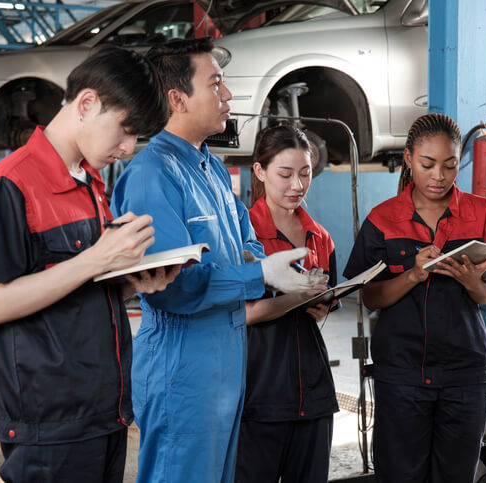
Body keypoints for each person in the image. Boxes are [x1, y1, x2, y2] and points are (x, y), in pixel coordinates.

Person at [110, 38, 326, 483]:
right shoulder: (153, 175)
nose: (228, 95)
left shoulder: (209, 169)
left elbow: (247, 243)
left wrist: (273, 269)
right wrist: (259, 273)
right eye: (216, 84)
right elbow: (171, 285)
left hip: (226, 371)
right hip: (182, 373)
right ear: (177, 99)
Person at [0, 47, 179, 482]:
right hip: (50, 425)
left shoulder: (90, 183)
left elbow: (79, 290)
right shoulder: (10, 185)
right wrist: (96, 258)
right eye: (125, 130)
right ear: (87, 104)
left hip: (105, 413)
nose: (128, 147)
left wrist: (134, 283)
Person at [343, 113, 486, 482]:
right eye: (427, 164)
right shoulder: (382, 220)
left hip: (465, 373)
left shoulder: (483, 214)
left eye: (450, 165)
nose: (438, 175)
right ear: (408, 159)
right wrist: (413, 274)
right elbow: (371, 298)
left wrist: (472, 282)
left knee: (455, 475)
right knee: (400, 475)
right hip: (401, 374)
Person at [235, 125, 339, 483]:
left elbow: (327, 305)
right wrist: (293, 298)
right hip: (258, 395)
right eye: (285, 174)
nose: (297, 185)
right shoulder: (241, 233)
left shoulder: (320, 237)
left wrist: (321, 305)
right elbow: (238, 314)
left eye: (305, 173)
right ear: (260, 171)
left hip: (313, 393)